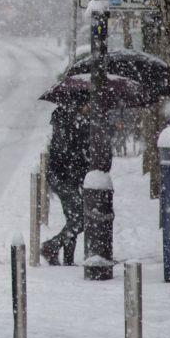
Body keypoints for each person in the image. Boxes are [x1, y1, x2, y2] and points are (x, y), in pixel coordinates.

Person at [40, 97, 111, 266]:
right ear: (78, 104)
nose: (90, 107)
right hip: (63, 178)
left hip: (68, 177)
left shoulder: (74, 121)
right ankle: (51, 246)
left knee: (73, 217)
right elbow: (67, 153)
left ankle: (68, 259)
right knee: (80, 219)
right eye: (87, 104)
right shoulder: (67, 122)